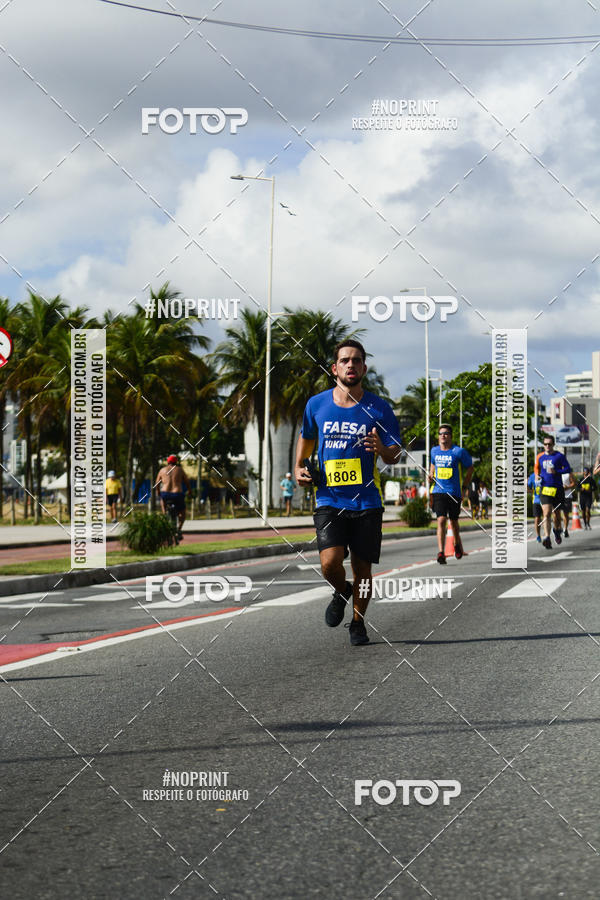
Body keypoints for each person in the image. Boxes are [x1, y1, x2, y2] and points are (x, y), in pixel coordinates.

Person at [295, 339, 401, 646]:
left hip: (367, 499)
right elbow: (306, 440)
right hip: (329, 497)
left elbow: (394, 452)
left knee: (363, 567)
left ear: (364, 368)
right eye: (345, 360)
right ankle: (342, 590)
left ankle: (358, 622)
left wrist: (382, 449)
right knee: (329, 562)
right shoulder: (316, 404)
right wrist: (300, 468)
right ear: (335, 368)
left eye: (356, 360)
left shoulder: (378, 408)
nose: (350, 365)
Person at [429, 424, 473, 564]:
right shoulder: (434, 451)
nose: (443, 436)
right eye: (441, 433)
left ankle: (457, 544)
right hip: (438, 491)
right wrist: (431, 475)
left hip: (454, 492)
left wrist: (464, 486)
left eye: (446, 433)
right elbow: (432, 467)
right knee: (441, 520)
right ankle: (441, 552)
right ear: (438, 436)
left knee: (453, 522)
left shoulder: (458, 451)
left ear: (451, 436)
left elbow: (470, 469)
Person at [534, 436, 571, 549]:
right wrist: (536, 476)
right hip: (545, 489)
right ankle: (547, 538)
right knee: (546, 513)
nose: (547, 446)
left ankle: (557, 530)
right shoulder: (540, 456)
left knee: (557, 515)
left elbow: (568, 468)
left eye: (549, 444)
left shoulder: (559, 456)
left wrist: (557, 471)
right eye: (545, 444)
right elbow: (536, 468)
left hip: (558, 489)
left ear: (553, 444)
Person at [155, 454, 190, 535]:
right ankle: (179, 529)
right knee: (183, 513)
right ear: (176, 462)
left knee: (162, 499)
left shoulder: (162, 470)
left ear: (168, 462)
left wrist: (158, 492)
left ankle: (164, 514)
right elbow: (187, 482)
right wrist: (189, 491)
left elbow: (157, 483)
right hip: (177, 494)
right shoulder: (180, 470)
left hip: (165, 494)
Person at [527, 471, 542, 542]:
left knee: (546, 517)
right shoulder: (532, 476)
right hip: (536, 500)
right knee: (537, 519)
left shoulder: (546, 474)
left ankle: (547, 535)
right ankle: (538, 535)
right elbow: (528, 488)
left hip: (546, 499)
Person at [561, 466, 576, 538]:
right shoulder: (555, 472)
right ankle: (558, 529)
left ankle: (565, 529)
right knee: (555, 514)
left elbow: (573, 483)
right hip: (557, 496)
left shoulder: (568, 473)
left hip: (567, 496)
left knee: (565, 514)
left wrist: (567, 487)